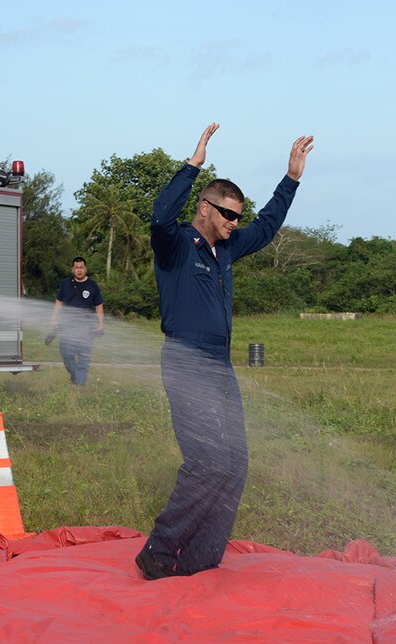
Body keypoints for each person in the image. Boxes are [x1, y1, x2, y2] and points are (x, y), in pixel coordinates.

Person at [135, 123, 314, 580]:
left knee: (234, 464)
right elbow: (158, 217)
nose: (235, 223)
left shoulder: (227, 250)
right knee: (207, 462)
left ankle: (200, 561)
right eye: (228, 215)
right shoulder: (175, 246)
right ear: (205, 209)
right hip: (185, 362)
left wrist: (291, 178)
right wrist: (192, 165)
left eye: (238, 216)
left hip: (219, 366)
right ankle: (158, 552)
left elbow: (268, 226)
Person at [46, 256, 105, 385]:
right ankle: (76, 377)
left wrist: (101, 324)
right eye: (76, 267)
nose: (79, 270)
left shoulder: (93, 286)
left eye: (81, 267)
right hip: (68, 326)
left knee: (84, 357)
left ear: (86, 269)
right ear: (72, 269)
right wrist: (54, 318)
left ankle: (80, 386)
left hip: (86, 327)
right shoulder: (66, 284)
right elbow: (59, 301)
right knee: (67, 355)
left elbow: (99, 305)